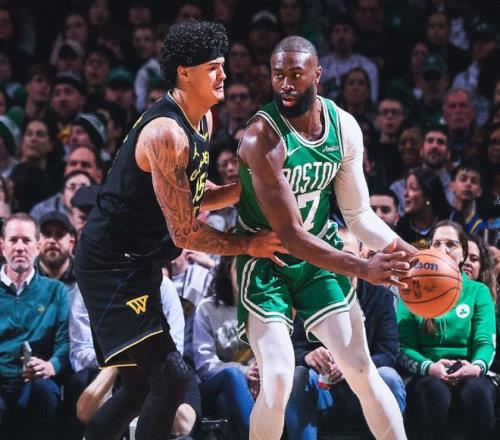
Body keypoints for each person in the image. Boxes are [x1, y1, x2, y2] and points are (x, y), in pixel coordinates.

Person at [74, 21, 284, 440]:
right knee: (171, 377)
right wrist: (249, 244)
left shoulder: (202, 119)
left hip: (139, 260)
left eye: (223, 64)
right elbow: (185, 233)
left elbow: (192, 196)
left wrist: (244, 190)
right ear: (185, 73)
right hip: (110, 265)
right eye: (213, 68)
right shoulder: (166, 133)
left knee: (140, 385)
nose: (223, 75)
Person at [236, 36, 415, 440]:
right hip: (268, 261)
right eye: (278, 75)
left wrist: (412, 254)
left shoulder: (343, 126)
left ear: (317, 74)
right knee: (277, 377)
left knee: (361, 369)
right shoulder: (260, 137)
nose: (285, 84)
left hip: (319, 260)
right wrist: (364, 267)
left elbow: (358, 215)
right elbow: (290, 236)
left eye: (295, 75)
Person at [285, 228, 406, 439]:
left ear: (362, 256)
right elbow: (294, 349)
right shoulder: (313, 293)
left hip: (366, 383)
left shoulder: (380, 297)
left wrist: (352, 365)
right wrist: (308, 356)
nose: (342, 264)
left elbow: (387, 354)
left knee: (389, 377)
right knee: (298, 376)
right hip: (324, 386)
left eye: (348, 256)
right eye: (335, 255)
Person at [398, 220, 497, 440]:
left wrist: (476, 367)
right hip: (427, 371)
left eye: (451, 244)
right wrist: (429, 367)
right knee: (433, 392)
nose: (443, 249)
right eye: (437, 244)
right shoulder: (410, 288)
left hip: (469, 369)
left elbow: (485, 341)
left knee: (478, 393)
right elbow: (404, 347)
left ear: (463, 253)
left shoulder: (478, 291)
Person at [0, 213, 70, 440]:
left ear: (38, 246)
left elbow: (65, 342)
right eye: (13, 240)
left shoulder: (56, 291)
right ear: (2, 246)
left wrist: (52, 365)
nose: (20, 247)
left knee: (44, 392)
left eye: (26, 240)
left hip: (37, 380)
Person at [193, 256, 258, 440]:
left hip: (255, 382)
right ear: (229, 271)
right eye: (240, 268)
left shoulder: (263, 308)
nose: (245, 275)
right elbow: (205, 365)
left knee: (226, 402)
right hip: (214, 383)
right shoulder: (207, 309)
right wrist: (245, 372)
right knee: (232, 375)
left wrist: (258, 373)